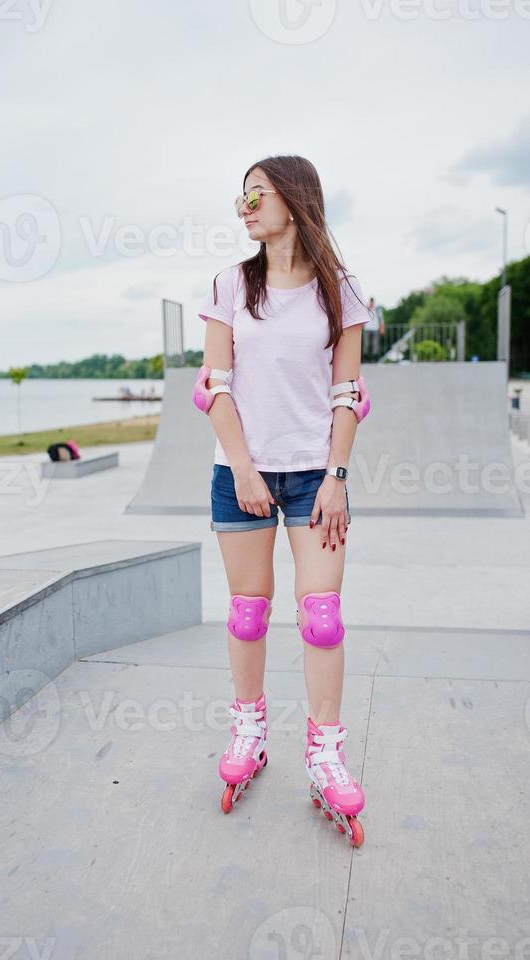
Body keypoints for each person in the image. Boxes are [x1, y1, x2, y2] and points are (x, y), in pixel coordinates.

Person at [194, 155, 371, 845]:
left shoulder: (341, 292)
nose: (244, 206)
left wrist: (337, 475)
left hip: (313, 477)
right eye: (240, 196)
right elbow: (216, 384)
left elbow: (347, 393)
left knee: (321, 617)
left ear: (294, 202)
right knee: (249, 613)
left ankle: (324, 753)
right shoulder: (231, 285)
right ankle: (250, 727)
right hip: (240, 472)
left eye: (257, 194)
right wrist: (242, 466)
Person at [362, 297, 385, 362]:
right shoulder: (366, 309)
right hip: (367, 328)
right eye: (370, 301)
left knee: (375, 343)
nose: (371, 303)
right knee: (366, 344)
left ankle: (375, 358)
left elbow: (381, 319)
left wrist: (382, 328)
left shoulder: (377, 309)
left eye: (372, 302)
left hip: (375, 328)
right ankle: (365, 358)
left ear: (373, 302)